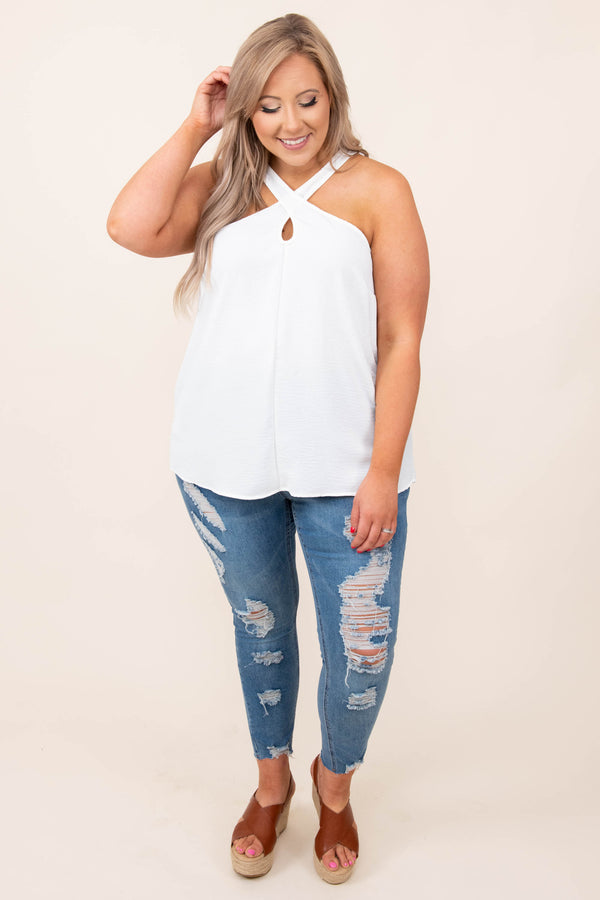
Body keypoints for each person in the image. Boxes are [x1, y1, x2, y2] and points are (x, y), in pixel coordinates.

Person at [107, 12, 429, 885]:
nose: (292, 122)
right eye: (270, 105)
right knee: (262, 632)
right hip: (225, 461)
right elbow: (129, 227)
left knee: (360, 650)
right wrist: (195, 127)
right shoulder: (223, 184)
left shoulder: (379, 190)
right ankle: (272, 783)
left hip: (349, 468)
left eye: (308, 100)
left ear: (334, 96)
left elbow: (401, 338)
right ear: (246, 109)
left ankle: (335, 786)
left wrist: (383, 470)